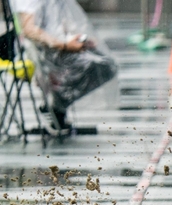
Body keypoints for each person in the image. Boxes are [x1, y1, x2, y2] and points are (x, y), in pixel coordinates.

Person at [10, 0, 117, 129]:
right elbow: (29, 30)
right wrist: (64, 45)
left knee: (106, 65)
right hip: (43, 50)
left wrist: (79, 39)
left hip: (58, 45)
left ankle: (56, 104)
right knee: (102, 66)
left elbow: (58, 22)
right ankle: (56, 104)